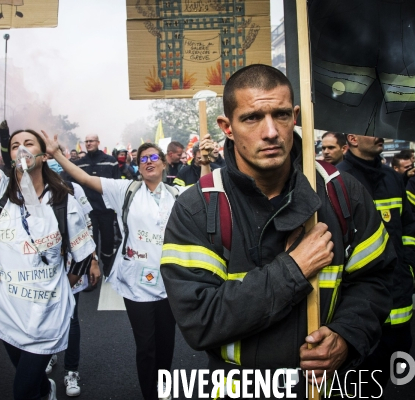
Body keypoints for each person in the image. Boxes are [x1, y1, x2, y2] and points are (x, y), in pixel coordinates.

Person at [161, 64, 394, 397]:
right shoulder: (198, 207)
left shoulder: (342, 192)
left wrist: (346, 335)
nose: (270, 131)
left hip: (325, 389)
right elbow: (200, 321)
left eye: (281, 115)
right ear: (227, 127)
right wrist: (293, 270)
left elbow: (376, 279)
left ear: (296, 116)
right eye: (252, 118)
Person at [0, 60, 95, 400]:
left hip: (47, 311)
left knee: (21, 391)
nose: (22, 147)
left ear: (43, 154)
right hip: (6, 307)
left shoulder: (63, 199)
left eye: (30, 143)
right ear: (8, 154)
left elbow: (81, 255)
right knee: (29, 379)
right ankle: (44, 390)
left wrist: (62, 289)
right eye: (16, 143)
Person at [43, 131, 212, 400]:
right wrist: (57, 155)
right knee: (146, 345)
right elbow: (85, 178)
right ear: (138, 165)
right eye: (143, 158)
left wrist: (205, 161)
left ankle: (163, 387)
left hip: (169, 283)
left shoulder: (177, 193)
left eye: (154, 156)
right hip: (136, 284)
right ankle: (150, 395)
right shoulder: (126, 190)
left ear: (163, 163)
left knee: (165, 344)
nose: (149, 161)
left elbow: (205, 191)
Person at [337, 134, 415, 395]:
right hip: (359, 303)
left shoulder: (391, 177)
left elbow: (408, 225)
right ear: (353, 139)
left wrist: (410, 267)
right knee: (360, 380)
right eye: (371, 130)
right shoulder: (337, 180)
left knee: (398, 369)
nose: (380, 136)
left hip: (399, 294)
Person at [45, 157, 102, 396]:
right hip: (42, 271)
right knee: (46, 317)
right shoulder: (29, 191)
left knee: (71, 318)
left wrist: (93, 260)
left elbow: (86, 225)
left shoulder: (73, 189)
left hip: (71, 266)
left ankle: (71, 370)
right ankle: (49, 355)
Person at [71, 134, 121, 279]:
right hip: (88, 211)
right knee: (91, 242)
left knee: (108, 241)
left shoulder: (111, 162)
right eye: (86, 141)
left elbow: (117, 184)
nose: (88, 143)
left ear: (98, 142)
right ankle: (91, 272)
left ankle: (107, 268)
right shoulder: (80, 163)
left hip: (106, 210)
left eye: (91, 141)